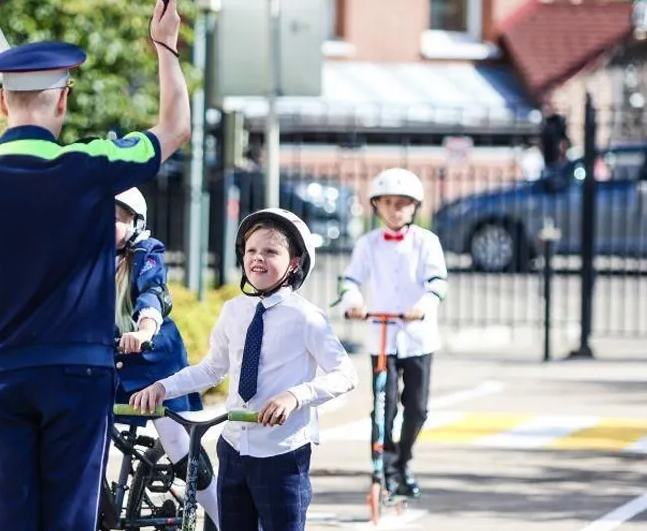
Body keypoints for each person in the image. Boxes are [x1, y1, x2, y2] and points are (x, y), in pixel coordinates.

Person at [0, 0, 191, 530]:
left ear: (3, 103)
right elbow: (175, 128)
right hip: (78, 374)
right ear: (62, 102)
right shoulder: (92, 165)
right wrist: (165, 49)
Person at [129, 208, 359, 531]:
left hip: (283, 453)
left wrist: (295, 396)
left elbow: (346, 374)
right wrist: (163, 388)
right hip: (234, 449)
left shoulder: (307, 317)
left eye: (270, 251)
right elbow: (211, 369)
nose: (257, 258)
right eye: (251, 250)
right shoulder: (234, 311)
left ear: (294, 262)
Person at [337, 167, 449, 499]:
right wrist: (353, 302)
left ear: (415, 206)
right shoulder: (367, 244)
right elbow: (351, 281)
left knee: (417, 408)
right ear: (376, 206)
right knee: (384, 406)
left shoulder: (427, 242)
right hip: (382, 335)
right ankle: (383, 468)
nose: (394, 209)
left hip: (418, 337)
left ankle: (403, 462)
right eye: (387, 202)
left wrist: (424, 305)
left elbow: (438, 283)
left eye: (402, 203)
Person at [111, 186, 219, 525]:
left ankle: (222, 517)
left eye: (113, 218)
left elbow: (153, 293)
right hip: (103, 363)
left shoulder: (147, 253)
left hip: (152, 360)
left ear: (135, 222)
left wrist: (144, 330)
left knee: (177, 444)